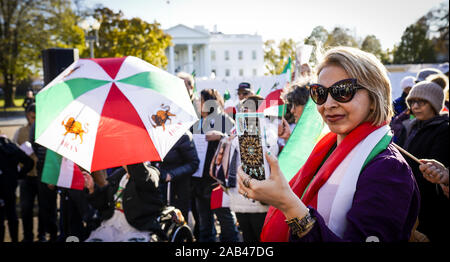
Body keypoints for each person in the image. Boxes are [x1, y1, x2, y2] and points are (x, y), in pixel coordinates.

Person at [238, 46, 420, 242]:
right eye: (320, 93)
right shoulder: (329, 149)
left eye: (343, 91)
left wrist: (288, 204)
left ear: (374, 98)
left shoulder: (389, 168)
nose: (328, 104)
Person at [394, 81, 449, 242]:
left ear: (434, 104)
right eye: (412, 102)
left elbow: (438, 170)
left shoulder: (444, 129)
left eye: (421, 102)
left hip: (431, 205)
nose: (415, 106)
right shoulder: (410, 126)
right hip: (408, 197)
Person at [225, 95, 279, 242]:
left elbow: (271, 155)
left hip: (260, 198)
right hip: (240, 196)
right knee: (248, 238)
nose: (243, 112)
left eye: (246, 109)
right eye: (242, 109)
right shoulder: (235, 132)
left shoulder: (270, 132)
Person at [191, 88, 235, 242]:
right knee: (204, 223)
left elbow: (236, 139)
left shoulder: (224, 120)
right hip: (199, 181)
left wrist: (221, 136)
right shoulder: (196, 123)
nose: (199, 104)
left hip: (217, 182)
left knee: (224, 219)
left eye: (202, 101)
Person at [84, 162, 164, 242]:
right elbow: (102, 204)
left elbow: (143, 175)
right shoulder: (118, 175)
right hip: (110, 226)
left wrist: (132, 163)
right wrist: (92, 188)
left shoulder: (151, 173)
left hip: (136, 229)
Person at [157, 130, 200, 225]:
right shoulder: (154, 133)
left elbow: (193, 163)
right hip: (159, 183)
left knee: (177, 220)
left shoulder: (183, 135)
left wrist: (171, 175)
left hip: (178, 187)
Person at [12, 103, 40, 242]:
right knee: (26, 208)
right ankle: (27, 236)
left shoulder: (44, 130)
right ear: (27, 115)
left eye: (36, 116)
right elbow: (12, 151)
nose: (33, 119)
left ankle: (42, 235)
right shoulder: (20, 131)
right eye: (31, 116)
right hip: (26, 177)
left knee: (44, 209)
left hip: (41, 176)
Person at [0, 132, 34, 242]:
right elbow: (29, 162)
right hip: (10, 186)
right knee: (12, 214)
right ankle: (15, 239)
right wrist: (18, 175)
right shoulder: (11, 147)